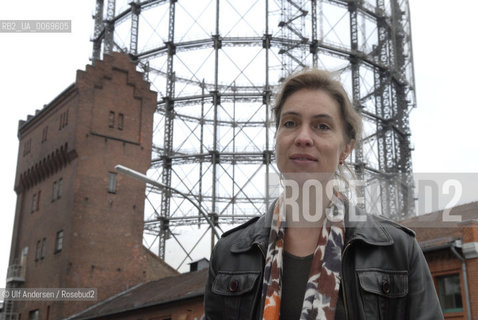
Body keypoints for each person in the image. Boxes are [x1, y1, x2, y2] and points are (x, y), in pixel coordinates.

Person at [203, 69, 443, 319]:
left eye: (322, 126)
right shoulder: (230, 254)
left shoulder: (397, 252)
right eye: (290, 123)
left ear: (346, 148)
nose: (303, 137)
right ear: (277, 139)